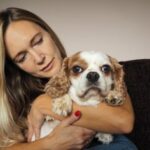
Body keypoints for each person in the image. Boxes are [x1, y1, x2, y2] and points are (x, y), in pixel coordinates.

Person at [0, 7, 137, 150]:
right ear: (14, 66)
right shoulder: (13, 98)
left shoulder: (99, 66)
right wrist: (49, 144)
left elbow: (124, 122)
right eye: (22, 57)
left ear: (49, 34)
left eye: (38, 41)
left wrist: (44, 103)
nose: (39, 58)